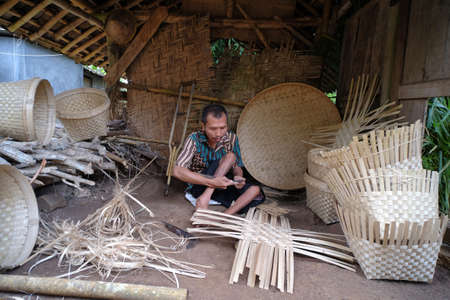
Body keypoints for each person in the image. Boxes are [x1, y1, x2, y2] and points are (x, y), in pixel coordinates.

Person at [173, 104, 264, 215]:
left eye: (223, 128)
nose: (219, 133)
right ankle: (206, 196)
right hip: (201, 184)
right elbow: (177, 171)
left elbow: (237, 166)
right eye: (213, 129)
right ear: (203, 126)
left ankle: (223, 217)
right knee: (230, 156)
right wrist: (212, 182)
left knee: (255, 190)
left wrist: (238, 176)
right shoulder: (194, 139)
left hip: (223, 183)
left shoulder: (232, 138)